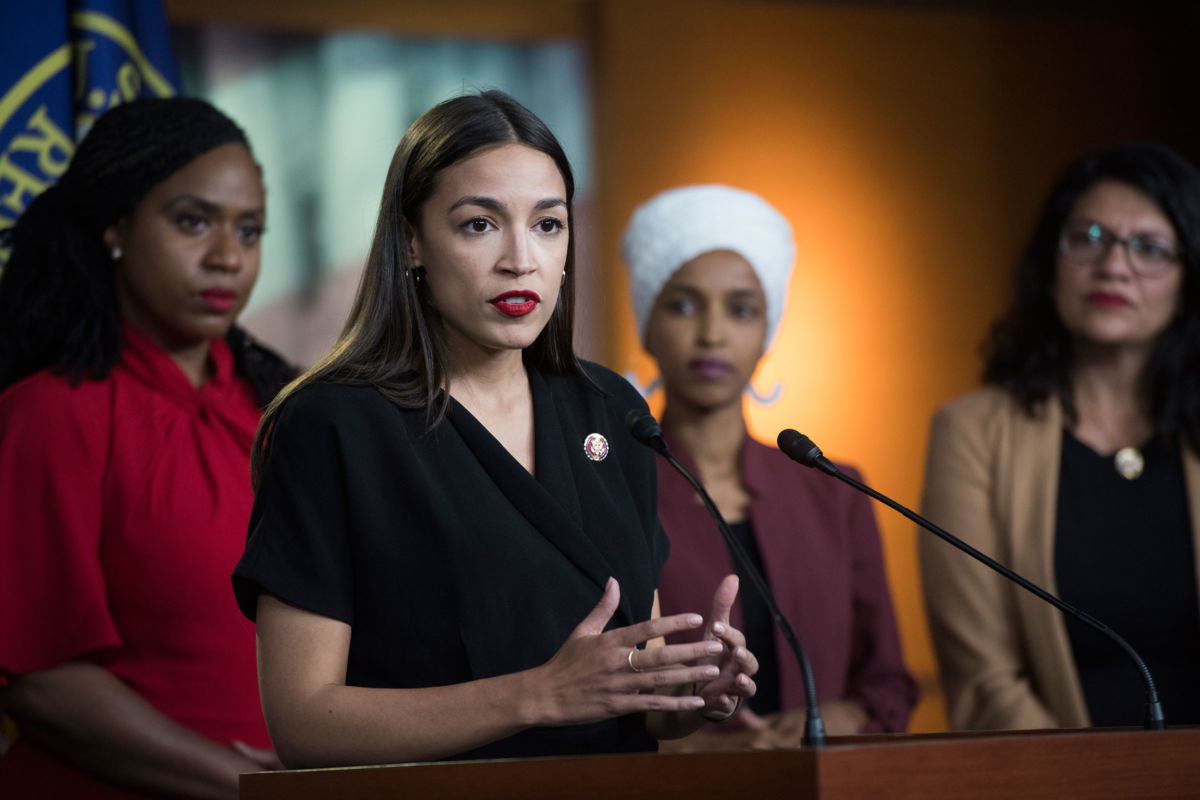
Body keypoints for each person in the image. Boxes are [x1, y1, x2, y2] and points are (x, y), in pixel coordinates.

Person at [231, 91, 758, 767]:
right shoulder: (333, 423)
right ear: (413, 241)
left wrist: (687, 692)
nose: (521, 259)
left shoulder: (612, 409)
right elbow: (304, 724)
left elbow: (633, 702)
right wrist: (537, 695)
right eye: (480, 225)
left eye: (548, 225)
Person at [0, 97, 294, 799]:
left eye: (249, 231)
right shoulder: (49, 414)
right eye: (193, 221)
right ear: (117, 227)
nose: (227, 257)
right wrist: (249, 786)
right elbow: (39, 682)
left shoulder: (289, 408)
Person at [620, 184, 917, 750]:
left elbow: (888, 684)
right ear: (646, 323)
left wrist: (824, 724)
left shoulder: (835, 489)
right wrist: (709, 749)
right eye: (683, 304)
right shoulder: (615, 491)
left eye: (741, 308)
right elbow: (601, 701)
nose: (712, 333)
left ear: (767, 328)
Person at [919, 142, 1200, 731]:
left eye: (1148, 248)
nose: (1114, 266)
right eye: (1089, 237)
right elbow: (985, 679)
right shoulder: (971, 434)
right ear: (1049, 267)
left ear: (1187, 283)